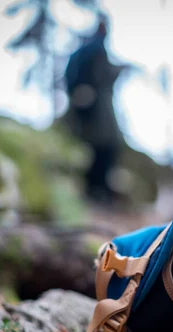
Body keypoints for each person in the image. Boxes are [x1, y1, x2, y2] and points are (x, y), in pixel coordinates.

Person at [63, 17, 126, 203]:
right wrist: (79, 90)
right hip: (95, 113)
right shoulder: (90, 50)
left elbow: (105, 74)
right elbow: (81, 77)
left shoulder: (95, 50)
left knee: (107, 147)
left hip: (100, 110)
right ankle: (95, 192)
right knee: (101, 147)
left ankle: (99, 192)